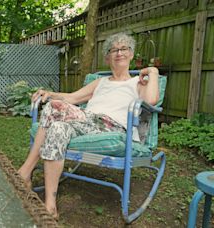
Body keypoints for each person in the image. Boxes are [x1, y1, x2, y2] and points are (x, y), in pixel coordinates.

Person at [17, 32, 160, 219]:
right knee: (58, 128)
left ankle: (24, 172)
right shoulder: (100, 82)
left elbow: (151, 100)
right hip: (86, 122)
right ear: (107, 57)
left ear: (131, 54)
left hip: (112, 126)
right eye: (113, 50)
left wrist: (153, 72)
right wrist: (49, 93)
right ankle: (50, 205)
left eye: (124, 49)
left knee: (53, 108)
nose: (119, 53)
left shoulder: (138, 82)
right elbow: (73, 98)